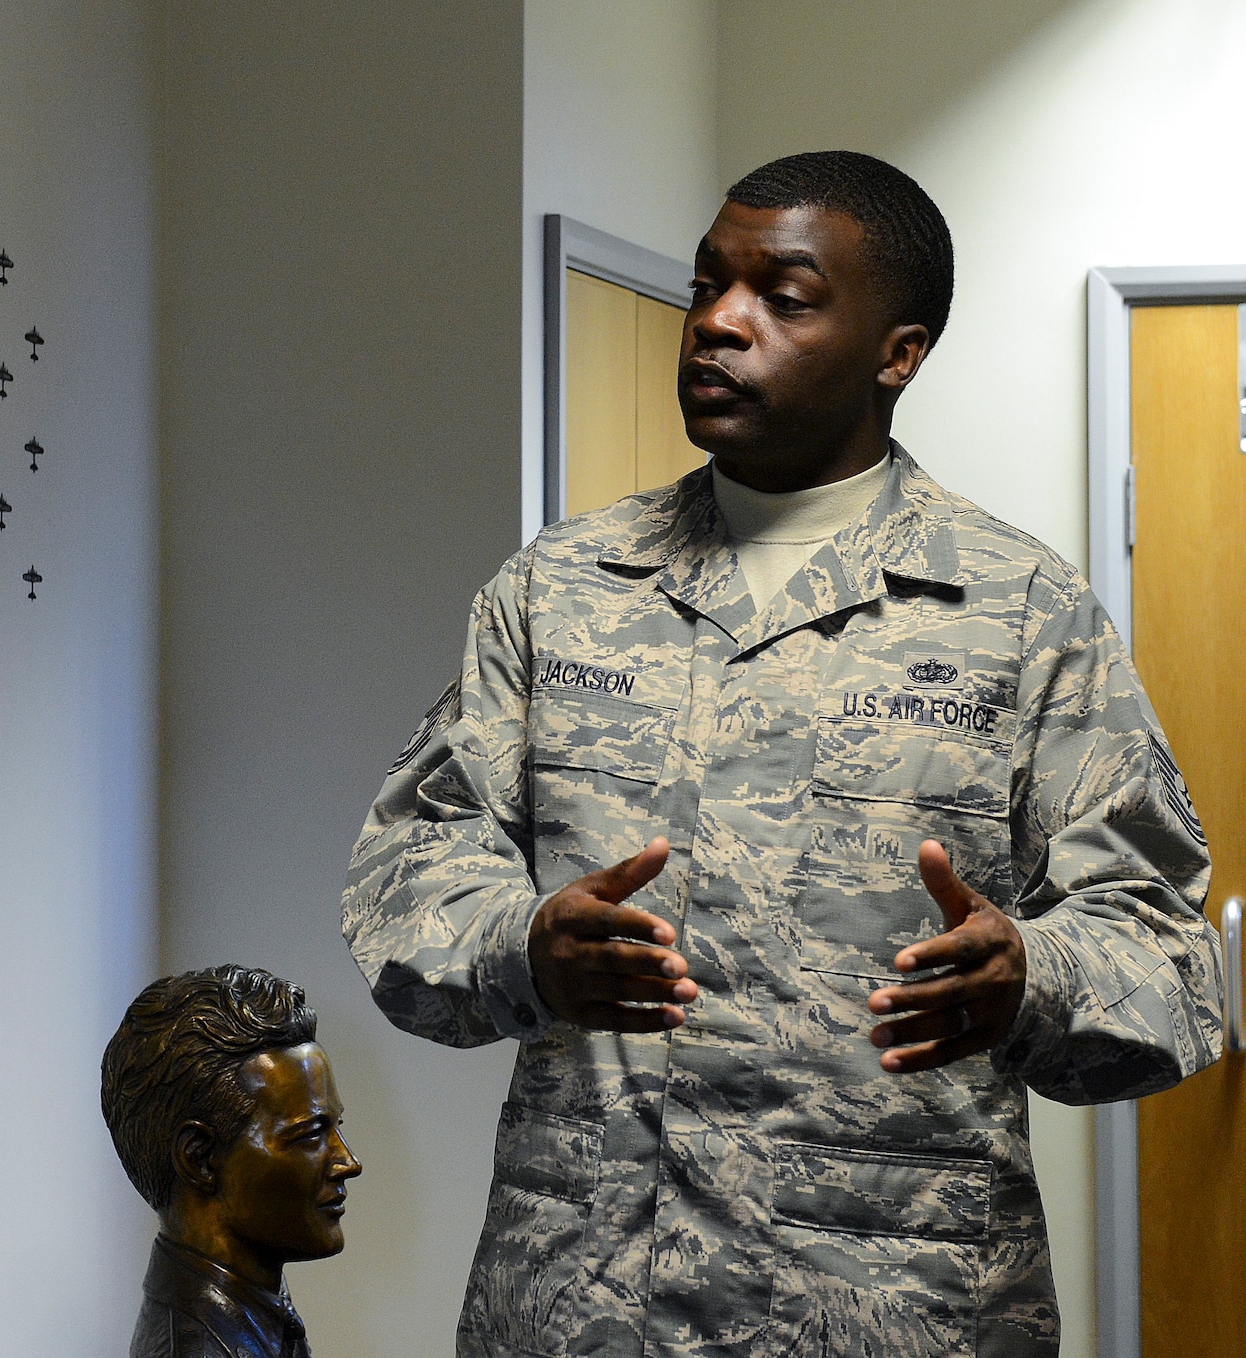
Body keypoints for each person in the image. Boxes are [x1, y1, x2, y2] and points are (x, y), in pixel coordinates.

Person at [344, 150, 1221, 1357]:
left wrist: (1033, 974)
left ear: (895, 353)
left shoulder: (1020, 612)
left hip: (887, 1309)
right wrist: (521, 944)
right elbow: (407, 878)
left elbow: (1166, 954)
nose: (716, 321)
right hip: (586, 1308)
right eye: (706, 284)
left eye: (782, 296)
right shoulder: (559, 589)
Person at [101, 965, 363, 1358]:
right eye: (310, 1134)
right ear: (201, 1158)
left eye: (335, 1128)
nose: (348, 1162)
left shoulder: (256, 1312)